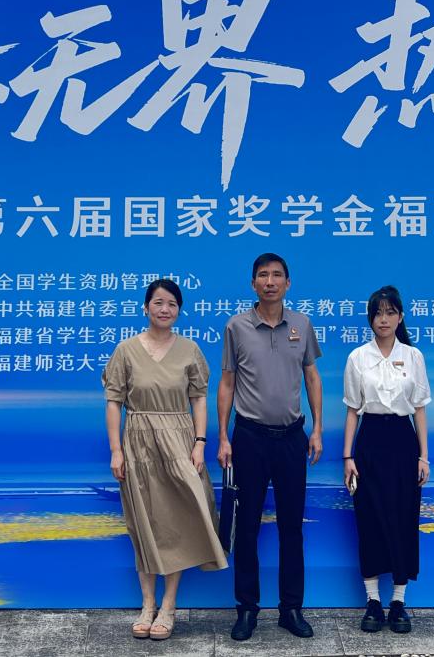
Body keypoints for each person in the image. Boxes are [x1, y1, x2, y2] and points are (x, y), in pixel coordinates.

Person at [103, 278, 227, 641]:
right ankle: (147, 604)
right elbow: (113, 402)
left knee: (177, 522)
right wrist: (116, 449)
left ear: (179, 310)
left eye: (172, 304)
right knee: (143, 522)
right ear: (146, 307)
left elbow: (199, 398)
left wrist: (200, 442)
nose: (164, 309)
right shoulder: (126, 350)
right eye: (158, 302)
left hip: (179, 440)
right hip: (138, 441)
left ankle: (168, 606)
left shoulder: (189, 350)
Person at [217, 252, 324, 640]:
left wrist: (317, 429)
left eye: (277, 275)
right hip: (249, 439)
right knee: (246, 527)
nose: (270, 282)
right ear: (253, 283)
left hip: (292, 438)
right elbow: (227, 383)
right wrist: (223, 436)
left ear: (288, 283)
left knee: (291, 527)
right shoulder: (236, 326)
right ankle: (247, 609)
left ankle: (291, 608)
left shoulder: (302, 324)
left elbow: (312, 377)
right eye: (263, 275)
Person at [341, 285, 431, 634]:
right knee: (369, 518)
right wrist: (348, 456)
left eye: (390, 312)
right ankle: (373, 601)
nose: (383, 319)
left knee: (403, 517)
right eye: (378, 313)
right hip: (370, 441)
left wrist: (423, 457)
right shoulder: (357, 357)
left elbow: (419, 409)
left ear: (400, 317)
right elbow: (353, 410)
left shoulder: (413, 356)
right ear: (370, 318)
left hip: (403, 442)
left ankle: (398, 601)